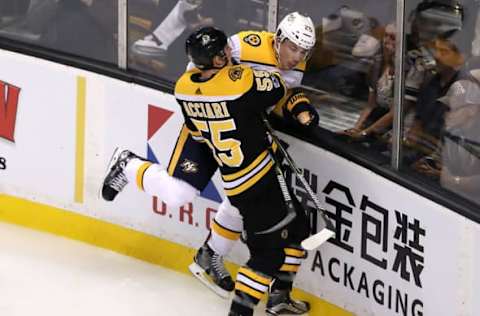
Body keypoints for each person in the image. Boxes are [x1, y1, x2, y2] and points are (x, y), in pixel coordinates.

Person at [102, 26, 312, 316]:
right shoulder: (243, 69)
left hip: (211, 129)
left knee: (239, 202)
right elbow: (274, 88)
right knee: (181, 193)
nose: (229, 51)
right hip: (214, 133)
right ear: (217, 60)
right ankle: (128, 164)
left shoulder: (184, 86)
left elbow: (203, 84)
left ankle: (210, 254)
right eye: (224, 51)